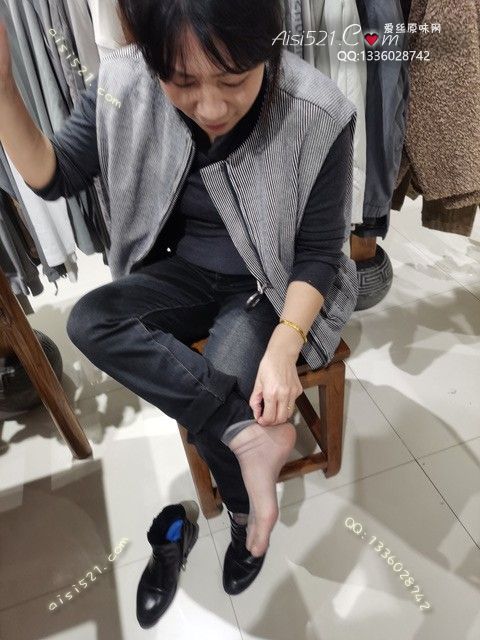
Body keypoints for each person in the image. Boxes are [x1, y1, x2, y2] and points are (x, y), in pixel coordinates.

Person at [0, 0, 357, 596]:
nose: (211, 107)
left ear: (266, 48)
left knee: (221, 383)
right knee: (91, 320)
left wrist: (284, 345)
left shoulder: (315, 109)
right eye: (183, 82)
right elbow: (53, 174)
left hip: (265, 282)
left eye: (233, 80)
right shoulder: (124, 83)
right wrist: (4, 89)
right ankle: (249, 439)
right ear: (151, 57)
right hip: (183, 271)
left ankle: (243, 516)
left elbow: (319, 252)